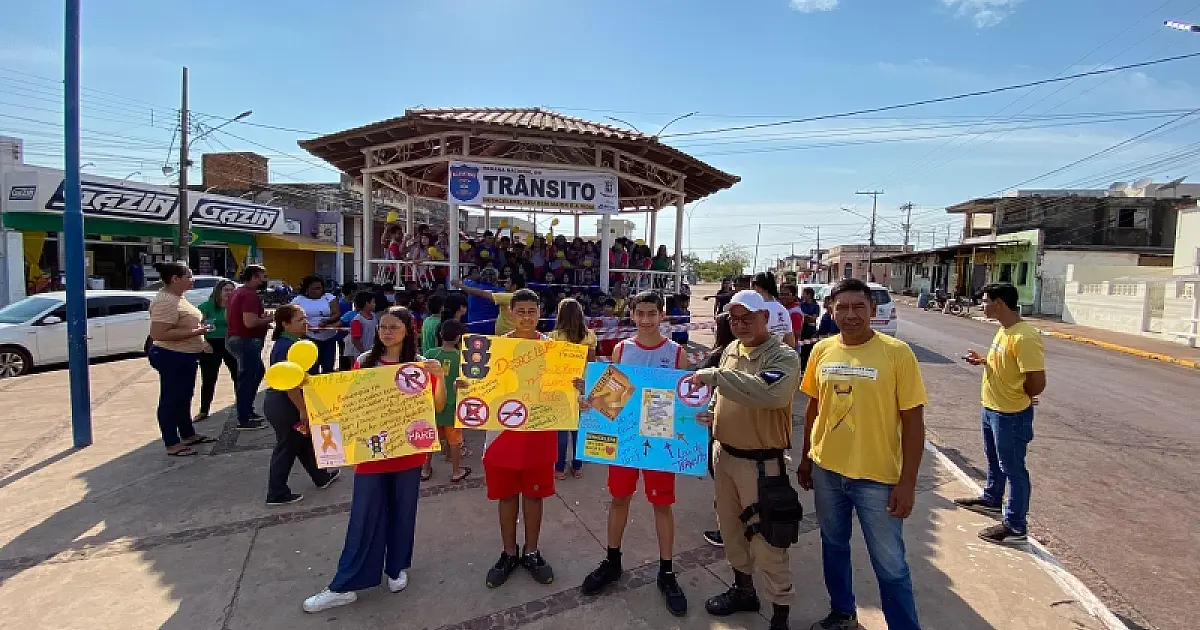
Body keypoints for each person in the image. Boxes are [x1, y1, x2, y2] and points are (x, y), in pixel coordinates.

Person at [797, 278, 927, 630]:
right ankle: (843, 612)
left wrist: (908, 483)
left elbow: (913, 422)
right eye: (842, 307)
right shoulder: (822, 351)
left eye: (859, 307)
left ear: (872, 309)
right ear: (830, 310)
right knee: (834, 547)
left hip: (878, 478)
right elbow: (813, 409)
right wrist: (807, 457)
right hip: (827, 471)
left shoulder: (897, 353)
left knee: (890, 564)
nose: (851, 314)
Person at [303, 306, 447, 613]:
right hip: (370, 454)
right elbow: (346, 403)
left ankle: (396, 567)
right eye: (383, 327)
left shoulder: (420, 367)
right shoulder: (363, 362)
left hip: (408, 453)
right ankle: (346, 584)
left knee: (402, 512)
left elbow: (436, 406)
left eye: (394, 327)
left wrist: (440, 378)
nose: (387, 332)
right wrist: (316, 414)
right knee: (364, 516)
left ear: (409, 331)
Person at [688, 290, 802, 630]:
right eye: (734, 320)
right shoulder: (731, 351)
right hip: (724, 456)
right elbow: (724, 395)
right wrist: (711, 412)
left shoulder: (782, 356)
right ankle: (743, 590)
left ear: (765, 317)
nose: (740, 325)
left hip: (761, 464)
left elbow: (770, 393)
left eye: (747, 318)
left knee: (768, 540)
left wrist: (713, 376)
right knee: (731, 530)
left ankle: (780, 611)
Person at [580, 291, 690, 615]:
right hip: (626, 443)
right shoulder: (621, 349)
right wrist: (589, 401)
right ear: (632, 314)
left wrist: (700, 414)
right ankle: (613, 560)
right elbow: (609, 401)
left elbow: (685, 404)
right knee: (619, 499)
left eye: (651, 314)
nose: (645, 320)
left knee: (662, 505)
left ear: (661, 315)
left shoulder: (677, 353)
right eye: (640, 313)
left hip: (659, 443)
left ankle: (666, 572)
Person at [468, 288, 558, 589]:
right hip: (501, 434)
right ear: (511, 313)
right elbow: (478, 385)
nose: (527, 317)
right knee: (506, 496)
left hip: (539, 433)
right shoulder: (494, 348)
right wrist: (466, 387)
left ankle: (532, 552)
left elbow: (561, 392)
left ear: (539, 312)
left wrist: (575, 386)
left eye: (532, 311)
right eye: (521, 312)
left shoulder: (553, 349)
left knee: (534, 496)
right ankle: (508, 553)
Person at [955, 283, 1046, 546]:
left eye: (985, 301)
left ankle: (1016, 525)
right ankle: (992, 499)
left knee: (1014, 469)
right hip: (992, 408)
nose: (982, 305)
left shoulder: (1024, 337)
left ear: (1000, 303)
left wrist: (1022, 395)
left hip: (1010, 414)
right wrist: (983, 361)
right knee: (994, 460)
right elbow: (1008, 365)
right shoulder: (1004, 331)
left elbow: (1036, 383)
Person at [264, 305, 340, 506]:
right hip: (286, 403)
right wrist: (303, 409)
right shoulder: (287, 346)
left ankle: (321, 476)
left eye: (305, 318)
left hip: (290, 401)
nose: (305, 322)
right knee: (287, 446)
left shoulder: (295, 342)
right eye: (300, 320)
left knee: (304, 442)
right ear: (285, 324)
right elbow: (291, 384)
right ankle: (276, 492)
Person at [147, 261, 215, 457]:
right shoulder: (165, 301)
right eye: (189, 276)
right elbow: (159, 333)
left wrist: (200, 340)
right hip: (171, 356)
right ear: (175, 279)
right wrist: (198, 331)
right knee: (171, 399)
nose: (192, 280)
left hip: (185, 355)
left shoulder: (178, 297)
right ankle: (172, 443)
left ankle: (188, 434)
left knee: (183, 397)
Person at [549, 298, 596, 481]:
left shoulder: (553, 337)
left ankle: (559, 469)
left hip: (561, 388)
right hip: (583, 386)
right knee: (579, 431)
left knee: (561, 432)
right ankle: (577, 467)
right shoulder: (589, 336)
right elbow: (591, 364)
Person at [700, 312, 735, 548]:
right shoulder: (736, 356)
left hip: (716, 423)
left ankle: (728, 530)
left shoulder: (718, 357)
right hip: (733, 424)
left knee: (723, 480)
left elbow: (695, 380)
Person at [421, 318, 471, 484]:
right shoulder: (462, 358)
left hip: (432, 405)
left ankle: (426, 469)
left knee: (430, 439)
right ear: (459, 338)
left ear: (441, 334)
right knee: (455, 440)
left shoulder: (430, 355)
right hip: (453, 406)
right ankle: (456, 471)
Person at [227, 265, 271, 431]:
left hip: (237, 338)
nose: (264, 279)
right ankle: (244, 417)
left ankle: (247, 411)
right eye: (262, 276)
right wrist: (267, 319)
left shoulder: (236, 293)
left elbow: (230, 316)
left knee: (256, 373)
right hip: (246, 340)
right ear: (254, 277)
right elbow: (250, 323)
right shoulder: (249, 295)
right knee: (247, 378)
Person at [195, 279, 239, 422]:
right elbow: (197, 326)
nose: (229, 293)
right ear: (218, 291)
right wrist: (203, 342)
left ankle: (242, 407)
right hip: (211, 344)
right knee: (208, 378)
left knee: (238, 376)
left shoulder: (236, 306)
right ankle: (203, 410)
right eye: (226, 290)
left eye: (232, 290)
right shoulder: (206, 307)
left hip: (231, 343)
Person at [292, 275, 342, 375]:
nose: (318, 291)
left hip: (328, 337)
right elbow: (293, 317)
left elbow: (337, 314)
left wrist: (327, 321)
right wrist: (308, 326)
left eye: (320, 288)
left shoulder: (329, 298)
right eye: (314, 288)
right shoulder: (298, 300)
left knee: (328, 366)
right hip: (309, 337)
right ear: (307, 289)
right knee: (312, 366)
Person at [454, 275, 524, 336]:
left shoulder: (509, 297)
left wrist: (460, 285)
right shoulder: (519, 296)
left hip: (507, 336)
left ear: (514, 286)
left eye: (507, 283)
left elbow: (484, 294)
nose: (504, 284)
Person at [752, 272, 796, 349]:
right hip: (779, 356)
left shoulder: (757, 309)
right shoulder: (783, 310)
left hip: (760, 356)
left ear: (756, 287)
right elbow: (790, 342)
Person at [345, 292, 378, 367]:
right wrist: (364, 353)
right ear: (367, 303)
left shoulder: (374, 316)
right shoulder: (357, 320)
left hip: (372, 352)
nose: (375, 304)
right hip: (361, 354)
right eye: (373, 302)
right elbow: (355, 340)